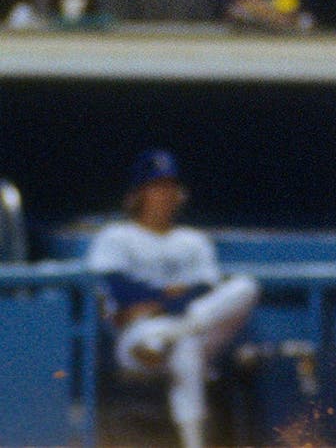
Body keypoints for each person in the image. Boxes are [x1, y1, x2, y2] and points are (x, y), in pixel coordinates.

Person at [85, 149, 260, 448]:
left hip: (182, 329)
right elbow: (118, 290)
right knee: (186, 347)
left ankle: (174, 334)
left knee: (245, 287)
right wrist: (172, 296)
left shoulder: (193, 241)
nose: (164, 196)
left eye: (169, 188)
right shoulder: (115, 237)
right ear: (138, 194)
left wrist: (157, 303)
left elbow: (205, 291)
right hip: (138, 336)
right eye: (155, 188)